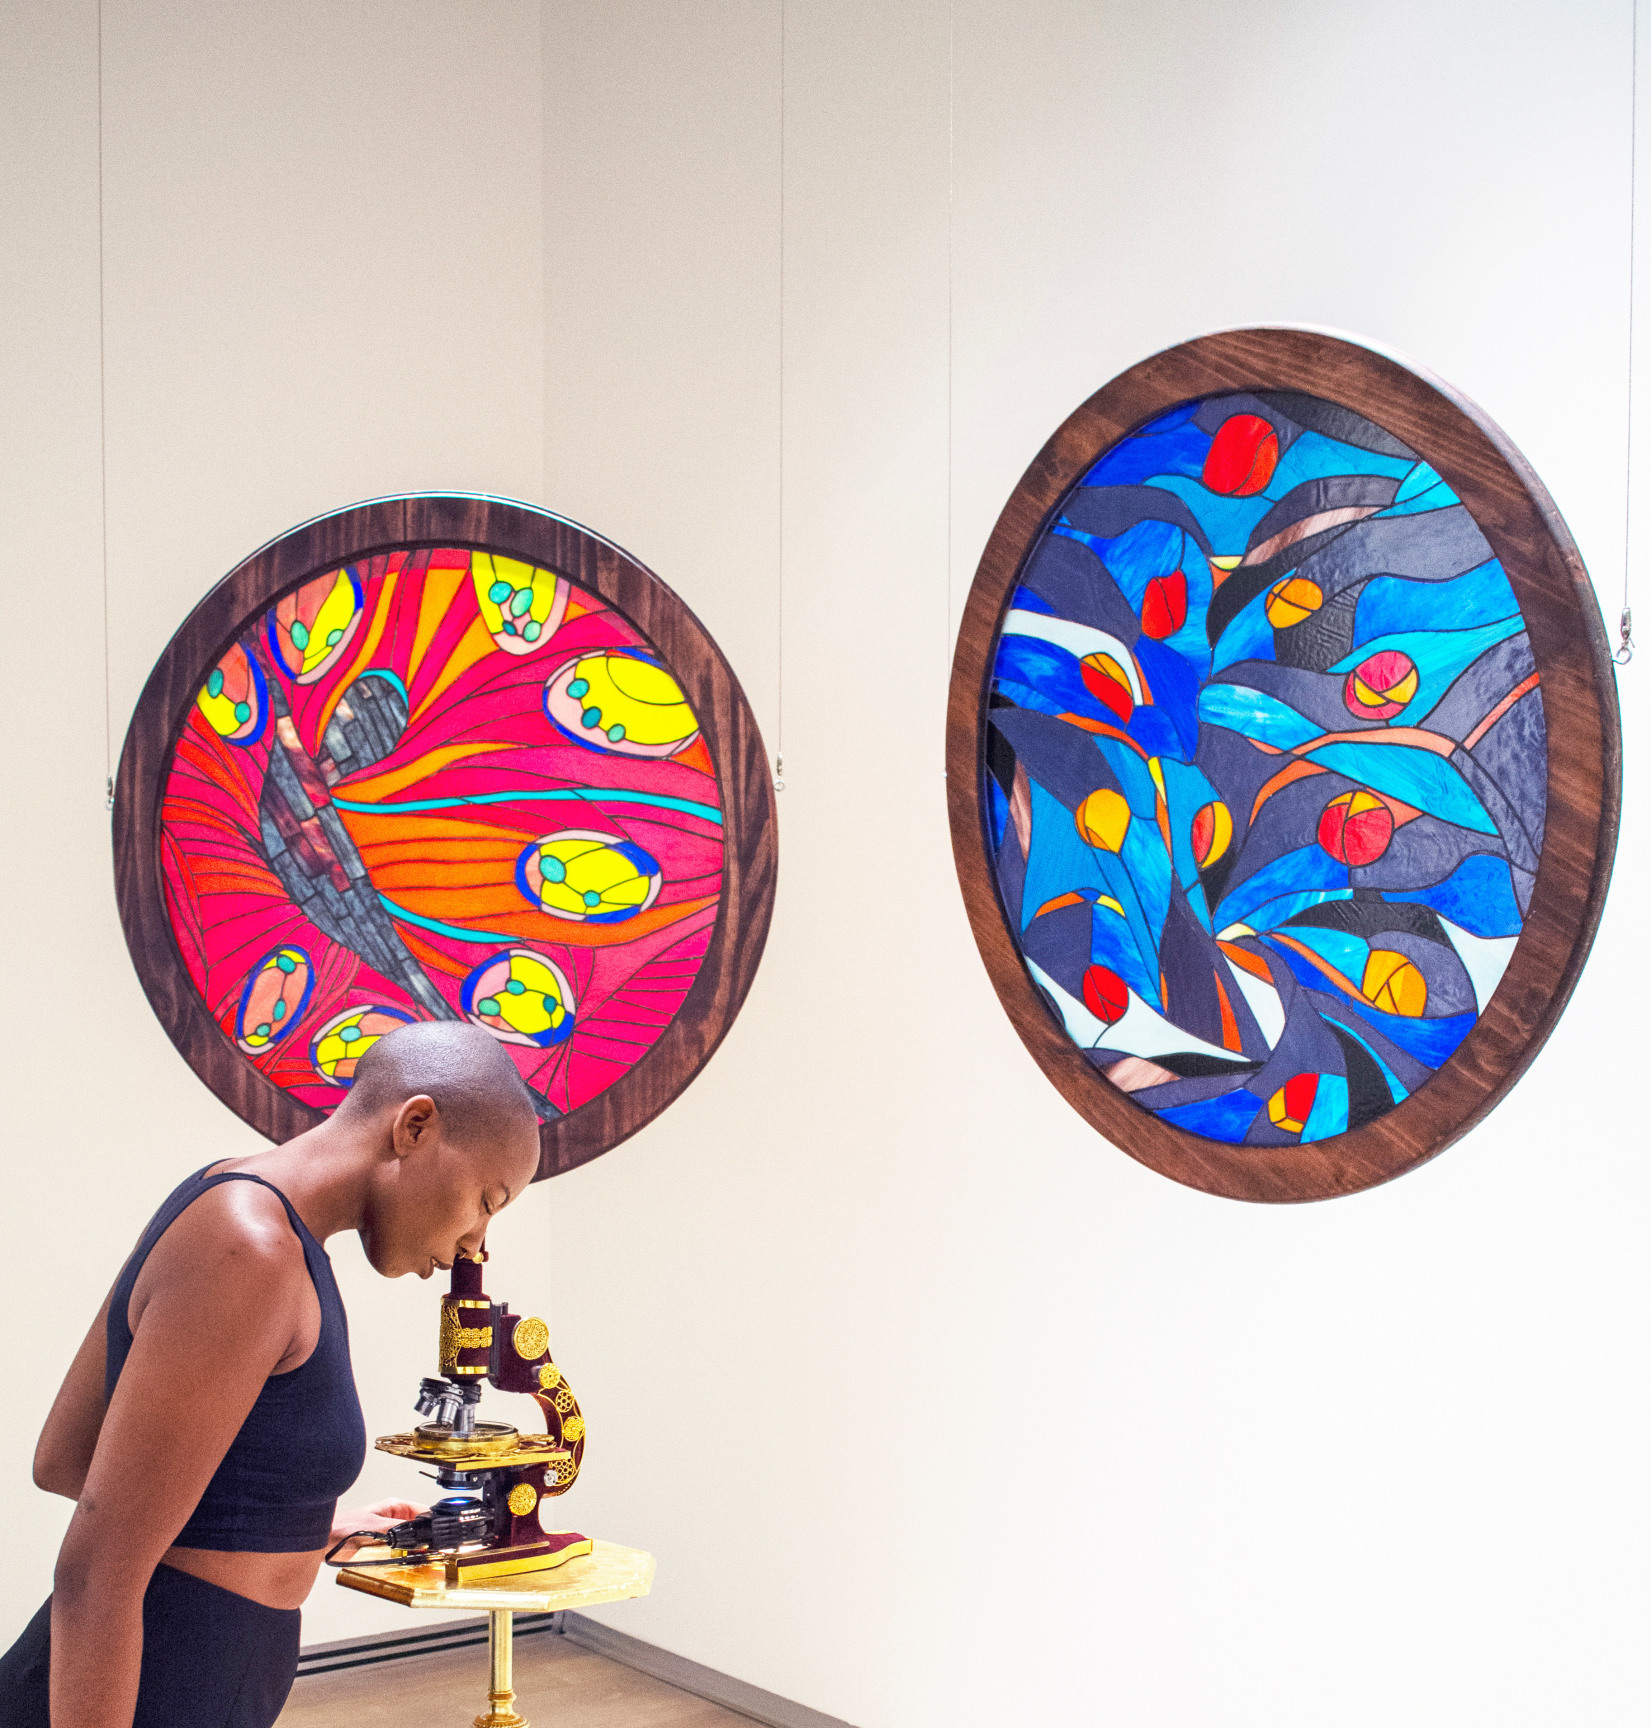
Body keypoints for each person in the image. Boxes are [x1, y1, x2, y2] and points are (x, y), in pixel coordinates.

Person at [0, 1022, 542, 1728]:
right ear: (414, 1126)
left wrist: (293, 1529)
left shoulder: (234, 1204)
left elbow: (67, 1460)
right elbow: (94, 1575)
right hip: (148, 1690)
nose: (477, 1245)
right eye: (488, 1201)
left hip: (201, 1678)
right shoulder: (251, 1250)